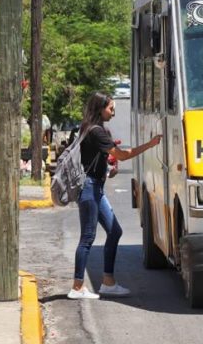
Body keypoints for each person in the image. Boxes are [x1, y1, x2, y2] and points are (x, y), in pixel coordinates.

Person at [68, 92, 162, 300]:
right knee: (88, 238)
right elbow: (123, 155)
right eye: (111, 108)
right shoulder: (97, 131)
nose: (113, 112)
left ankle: (108, 283)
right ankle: (77, 287)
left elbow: (94, 158)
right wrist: (151, 144)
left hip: (95, 188)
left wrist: (108, 169)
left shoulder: (89, 128)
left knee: (115, 231)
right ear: (100, 108)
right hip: (89, 189)